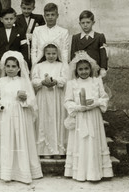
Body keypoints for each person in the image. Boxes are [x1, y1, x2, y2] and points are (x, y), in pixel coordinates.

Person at [0, 51, 43, 183]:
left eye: (14, 66)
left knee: (19, 139)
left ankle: (22, 171)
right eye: (8, 66)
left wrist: (25, 99)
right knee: (6, 139)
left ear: (19, 68)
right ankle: (5, 171)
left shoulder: (24, 81)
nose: (11, 69)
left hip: (19, 113)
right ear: (4, 67)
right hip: (5, 114)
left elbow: (32, 99)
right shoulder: (0, 81)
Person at [64, 51, 113, 181]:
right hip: (80, 117)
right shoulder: (72, 84)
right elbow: (67, 101)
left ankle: (95, 173)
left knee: (93, 141)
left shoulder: (96, 82)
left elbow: (104, 98)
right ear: (76, 70)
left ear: (91, 69)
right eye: (80, 69)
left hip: (94, 116)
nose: (84, 72)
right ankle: (80, 173)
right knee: (81, 142)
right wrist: (78, 107)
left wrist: (95, 103)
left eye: (86, 69)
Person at [31, 43, 68, 158]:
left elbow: (65, 79)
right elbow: (34, 80)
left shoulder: (62, 66)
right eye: (48, 53)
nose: (51, 56)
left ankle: (57, 150)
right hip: (43, 96)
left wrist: (56, 81)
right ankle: (44, 150)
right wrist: (42, 82)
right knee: (44, 119)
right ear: (44, 54)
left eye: (53, 53)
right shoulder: (39, 66)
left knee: (57, 119)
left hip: (57, 96)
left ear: (58, 54)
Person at [0, 7, 28, 78]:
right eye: (6, 19)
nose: (9, 21)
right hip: (1, 64)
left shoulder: (20, 31)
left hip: (16, 64)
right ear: (1, 20)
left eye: (11, 19)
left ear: (15, 19)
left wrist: (23, 63)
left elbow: (24, 49)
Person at [70, 10, 108, 77]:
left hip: (95, 70)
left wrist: (103, 68)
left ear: (93, 23)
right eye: (83, 23)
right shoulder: (76, 38)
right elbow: (73, 55)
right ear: (79, 23)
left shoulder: (99, 37)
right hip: (81, 70)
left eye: (88, 22)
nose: (85, 25)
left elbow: (103, 54)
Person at [15, 0, 46, 67]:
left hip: (35, 47)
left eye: (29, 9)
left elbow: (43, 31)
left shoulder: (39, 18)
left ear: (33, 8)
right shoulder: (16, 18)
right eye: (24, 8)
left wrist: (34, 36)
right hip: (21, 48)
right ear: (20, 7)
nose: (26, 11)